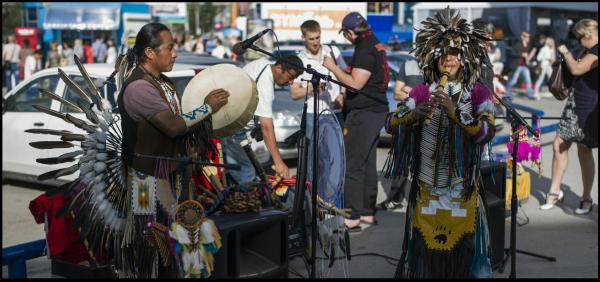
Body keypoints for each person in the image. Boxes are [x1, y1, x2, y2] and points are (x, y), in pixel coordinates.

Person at [385, 7, 495, 278]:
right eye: (443, 54)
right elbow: (389, 123)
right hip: (426, 189)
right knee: (425, 252)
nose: (449, 60)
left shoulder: (479, 92)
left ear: (464, 58)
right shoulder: (422, 91)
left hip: (461, 188)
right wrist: (414, 114)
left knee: (462, 250)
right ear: (433, 59)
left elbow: (486, 132)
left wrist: (455, 113)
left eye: (455, 54)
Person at [116, 22, 230, 277]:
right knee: (150, 238)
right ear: (149, 53)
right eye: (169, 48)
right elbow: (174, 126)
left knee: (176, 239)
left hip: (168, 173)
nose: (175, 53)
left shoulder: (161, 82)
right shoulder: (139, 88)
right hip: (144, 180)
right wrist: (207, 108)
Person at [322, 12, 389, 230]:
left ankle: (351, 218)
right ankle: (367, 213)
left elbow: (355, 84)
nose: (346, 37)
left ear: (351, 32)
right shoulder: (373, 43)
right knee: (367, 163)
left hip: (364, 114)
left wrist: (332, 68)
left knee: (352, 164)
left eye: (345, 34)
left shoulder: (365, 49)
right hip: (375, 111)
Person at [540, 19, 598, 214]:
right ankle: (554, 192)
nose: (579, 42)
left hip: (589, 107)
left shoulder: (597, 50)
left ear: (588, 35)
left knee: (584, 150)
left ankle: (587, 197)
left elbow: (577, 69)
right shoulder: (586, 50)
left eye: (580, 38)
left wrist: (565, 52)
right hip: (574, 104)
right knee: (559, 145)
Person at [220, 54, 303, 184]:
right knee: (247, 174)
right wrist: (279, 162)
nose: (291, 82)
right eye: (290, 77)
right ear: (279, 68)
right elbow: (267, 127)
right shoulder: (265, 85)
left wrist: (255, 122)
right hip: (231, 129)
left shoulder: (263, 62)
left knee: (246, 172)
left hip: (232, 126)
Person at [289, 20, 347, 183]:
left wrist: (342, 95)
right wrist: (312, 87)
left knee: (336, 159)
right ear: (303, 38)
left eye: (318, 38)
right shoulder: (299, 60)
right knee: (312, 160)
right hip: (312, 116)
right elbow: (294, 94)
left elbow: (346, 78)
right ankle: (312, 200)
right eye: (311, 39)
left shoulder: (333, 52)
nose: (315, 42)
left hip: (334, 114)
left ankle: (333, 201)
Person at [379, 55, 424, 211]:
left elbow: (433, 95)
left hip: (427, 119)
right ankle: (395, 198)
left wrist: (409, 90)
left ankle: (422, 200)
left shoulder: (437, 66)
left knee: (424, 161)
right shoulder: (408, 64)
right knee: (401, 160)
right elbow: (396, 93)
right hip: (406, 118)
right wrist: (416, 94)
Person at [505, 32, 537, 100]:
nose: (528, 38)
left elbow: (527, 55)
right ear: (523, 37)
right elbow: (511, 52)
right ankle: (507, 94)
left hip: (524, 66)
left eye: (529, 37)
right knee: (513, 81)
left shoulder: (528, 45)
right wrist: (521, 54)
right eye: (527, 37)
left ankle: (529, 94)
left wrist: (529, 56)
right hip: (517, 65)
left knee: (528, 80)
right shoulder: (518, 44)